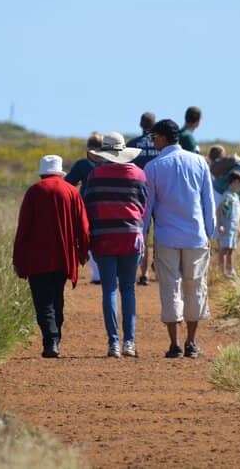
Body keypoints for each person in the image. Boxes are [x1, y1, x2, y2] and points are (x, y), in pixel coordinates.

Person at [143, 119, 217, 359]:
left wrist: (144, 236)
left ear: (163, 138)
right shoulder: (199, 163)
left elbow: (148, 207)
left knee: (170, 287)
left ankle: (174, 344)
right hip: (196, 236)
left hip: (166, 237)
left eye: (154, 138)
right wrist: (210, 234)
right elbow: (208, 202)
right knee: (195, 287)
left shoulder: (153, 167)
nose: (153, 142)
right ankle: (191, 342)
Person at [13, 155, 90, 358]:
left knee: (43, 302)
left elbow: (24, 229)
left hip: (37, 258)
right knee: (57, 299)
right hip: (64, 256)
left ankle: (51, 341)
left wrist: (18, 259)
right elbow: (83, 227)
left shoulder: (35, 191)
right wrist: (82, 252)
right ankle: (55, 339)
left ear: (42, 172)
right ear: (60, 172)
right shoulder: (71, 191)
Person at [84, 132, 148, 358]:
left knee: (109, 289)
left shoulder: (95, 175)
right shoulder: (139, 174)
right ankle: (130, 342)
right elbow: (142, 206)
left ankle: (114, 343)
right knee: (128, 289)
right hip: (131, 236)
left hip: (104, 237)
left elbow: (88, 205)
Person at [65, 132, 104, 284]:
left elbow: (67, 185)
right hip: (92, 208)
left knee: (95, 239)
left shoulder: (103, 162)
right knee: (92, 239)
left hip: (96, 207)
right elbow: (68, 184)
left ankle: (100, 273)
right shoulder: (85, 164)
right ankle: (98, 274)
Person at [127, 111, 160, 286]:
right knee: (160, 232)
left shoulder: (132, 145)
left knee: (142, 233)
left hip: (138, 195)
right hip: (160, 194)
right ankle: (160, 268)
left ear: (140, 124)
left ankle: (144, 273)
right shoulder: (160, 144)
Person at [216, 169, 240, 278]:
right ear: (235, 182)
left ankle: (230, 269)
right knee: (224, 249)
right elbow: (219, 210)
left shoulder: (235, 196)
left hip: (233, 227)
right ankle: (222, 272)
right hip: (226, 226)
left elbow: (236, 215)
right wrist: (220, 224)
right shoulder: (227, 196)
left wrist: (239, 228)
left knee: (231, 249)